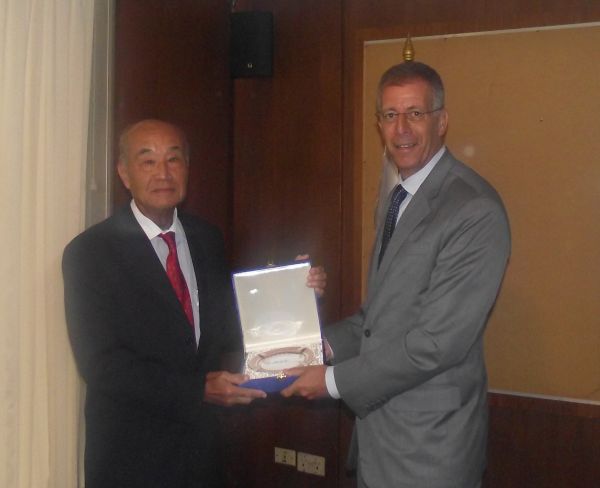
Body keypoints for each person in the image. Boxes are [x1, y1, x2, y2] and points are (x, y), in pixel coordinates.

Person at [282, 61, 511, 488]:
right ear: (379, 125)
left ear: (442, 121)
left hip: (430, 450)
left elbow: (435, 344)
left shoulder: (473, 209)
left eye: (415, 113)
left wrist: (331, 381)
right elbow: (376, 320)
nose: (401, 128)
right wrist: (317, 348)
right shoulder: (397, 199)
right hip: (380, 437)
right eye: (390, 115)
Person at [63, 119, 326, 488]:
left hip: (203, 455)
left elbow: (226, 330)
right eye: (148, 161)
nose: (163, 173)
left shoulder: (207, 238)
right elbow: (102, 366)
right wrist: (196, 390)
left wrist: (292, 292)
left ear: (187, 167)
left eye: (174, 159)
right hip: (131, 459)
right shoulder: (90, 252)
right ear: (124, 173)